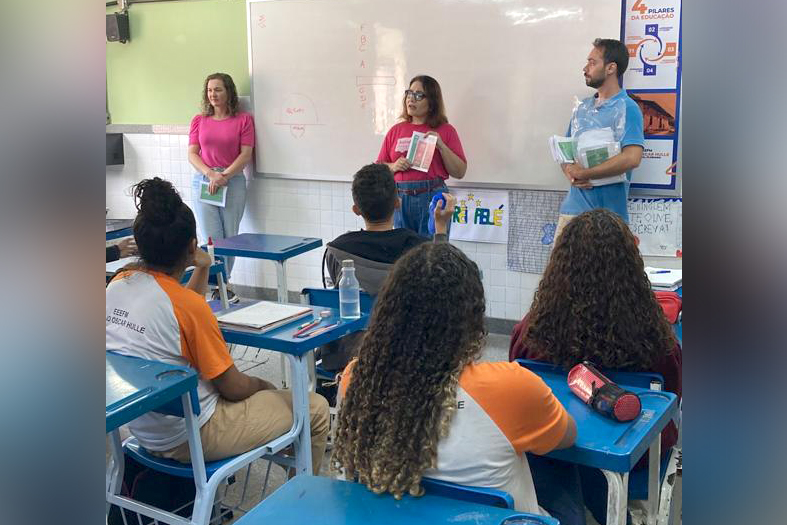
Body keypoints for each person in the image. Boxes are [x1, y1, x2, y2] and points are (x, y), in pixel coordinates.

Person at [333, 242, 576, 515]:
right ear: (472, 317)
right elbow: (566, 437)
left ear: (388, 314)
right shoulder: (513, 387)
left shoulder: (358, 380)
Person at [106, 177, 329, 473]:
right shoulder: (187, 307)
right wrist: (266, 386)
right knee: (313, 408)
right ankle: (301, 507)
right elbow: (233, 388)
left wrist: (204, 266)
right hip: (195, 434)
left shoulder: (118, 284)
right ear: (192, 245)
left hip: (141, 426)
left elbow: (178, 309)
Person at [509, 209, 682, 525]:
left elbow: (518, 381)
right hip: (636, 458)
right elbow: (671, 399)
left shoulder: (532, 333)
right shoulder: (656, 339)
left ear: (559, 266)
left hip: (553, 450)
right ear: (631, 266)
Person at [319, 163, 455, 375]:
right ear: (398, 203)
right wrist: (440, 228)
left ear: (356, 209)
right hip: (407, 353)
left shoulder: (336, 250)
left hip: (350, 356)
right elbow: (442, 280)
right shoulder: (419, 249)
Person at [556, 38, 645, 239]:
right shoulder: (581, 108)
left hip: (609, 220)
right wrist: (571, 172)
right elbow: (565, 151)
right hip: (572, 214)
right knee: (562, 271)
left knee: (606, 272)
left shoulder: (627, 108)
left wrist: (588, 173)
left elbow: (632, 158)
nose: (585, 68)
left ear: (611, 68)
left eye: (592, 62)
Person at [188, 72, 255, 303]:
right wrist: (211, 174)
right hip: (205, 180)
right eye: (209, 90)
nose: (213, 95)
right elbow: (193, 153)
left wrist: (224, 175)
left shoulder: (243, 120)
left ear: (229, 92)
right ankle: (219, 284)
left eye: (218, 90)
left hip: (232, 181)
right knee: (211, 236)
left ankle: (223, 282)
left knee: (229, 236)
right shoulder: (199, 120)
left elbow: (246, 155)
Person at [376, 75, 467, 237]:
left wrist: (441, 146)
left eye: (418, 95)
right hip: (400, 198)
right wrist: (393, 166)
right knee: (404, 253)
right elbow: (378, 168)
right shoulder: (395, 130)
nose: (411, 99)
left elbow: (459, 172)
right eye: (409, 94)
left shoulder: (446, 130)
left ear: (432, 102)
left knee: (432, 253)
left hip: (432, 195)